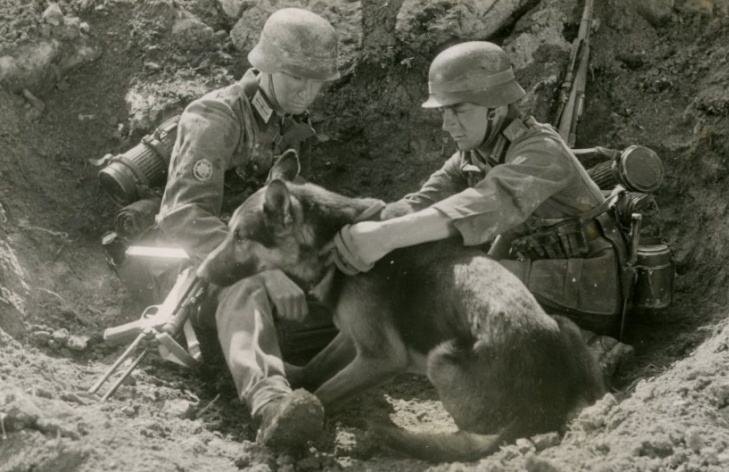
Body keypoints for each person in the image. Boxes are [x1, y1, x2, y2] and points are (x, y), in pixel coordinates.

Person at [328, 41, 633, 340]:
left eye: (458, 111)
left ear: (496, 107)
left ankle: (588, 344)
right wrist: (352, 228)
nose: (447, 125)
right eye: (444, 112)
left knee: (454, 285)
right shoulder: (475, 153)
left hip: (589, 287)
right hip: (539, 272)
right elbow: (422, 201)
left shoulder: (541, 151)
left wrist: (385, 237)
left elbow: (489, 202)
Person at [155, 8, 339, 448]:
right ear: (268, 65)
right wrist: (266, 270)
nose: (307, 91)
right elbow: (181, 216)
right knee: (246, 286)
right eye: (297, 77)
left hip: (254, 252)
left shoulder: (291, 127)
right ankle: (272, 404)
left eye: (317, 81)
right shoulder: (219, 116)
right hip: (192, 262)